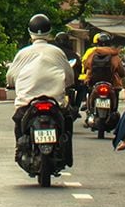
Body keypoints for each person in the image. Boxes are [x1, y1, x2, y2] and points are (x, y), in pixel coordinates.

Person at [6, 13, 76, 165]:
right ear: (49, 31)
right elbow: (69, 77)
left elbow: (10, 76)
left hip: (27, 103)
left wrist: (13, 83)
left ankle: (20, 148)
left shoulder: (23, 53)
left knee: (19, 121)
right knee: (68, 120)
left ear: (30, 32)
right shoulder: (57, 52)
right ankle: (66, 154)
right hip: (55, 102)